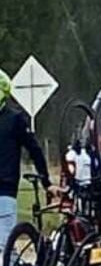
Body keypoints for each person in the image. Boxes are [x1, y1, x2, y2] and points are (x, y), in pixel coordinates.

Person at [0, 69, 60, 247]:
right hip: (6, 189)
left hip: (5, 190)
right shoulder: (15, 119)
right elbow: (35, 150)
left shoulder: (15, 119)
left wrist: (46, 183)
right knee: (5, 246)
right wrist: (46, 183)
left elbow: (35, 151)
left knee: (5, 245)